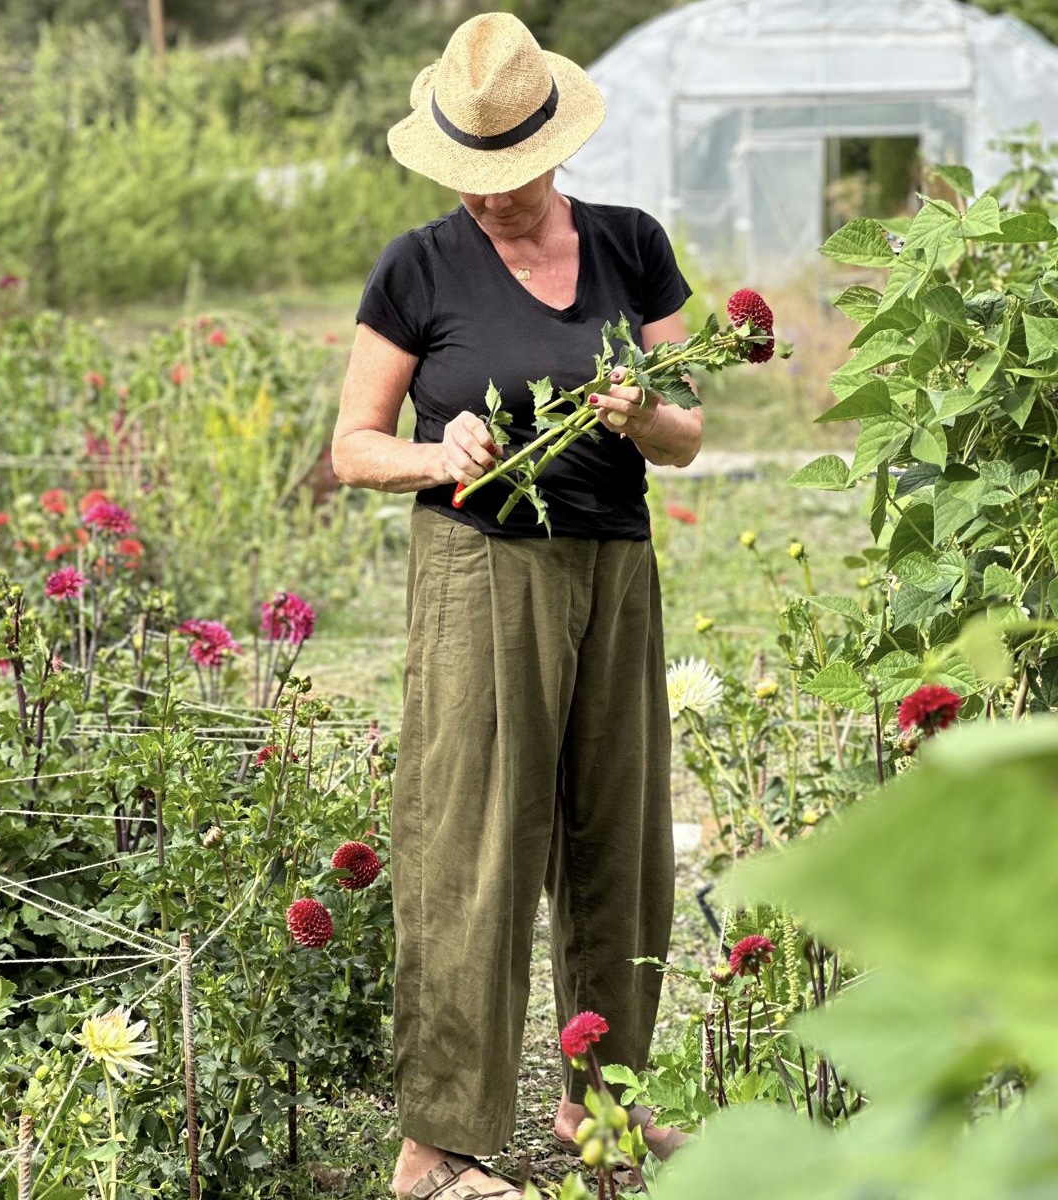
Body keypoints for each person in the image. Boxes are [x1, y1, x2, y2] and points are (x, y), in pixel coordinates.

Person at [331, 12, 701, 1199]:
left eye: (508, 175)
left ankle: (605, 1108)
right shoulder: (417, 267)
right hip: (480, 568)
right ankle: (434, 1146)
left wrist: (639, 414)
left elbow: (690, 431)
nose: (489, 197)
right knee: (474, 845)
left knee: (620, 841)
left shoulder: (632, 246)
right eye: (468, 177)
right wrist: (438, 451)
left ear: (556, 147)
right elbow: (351, 447)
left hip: (616, 567)